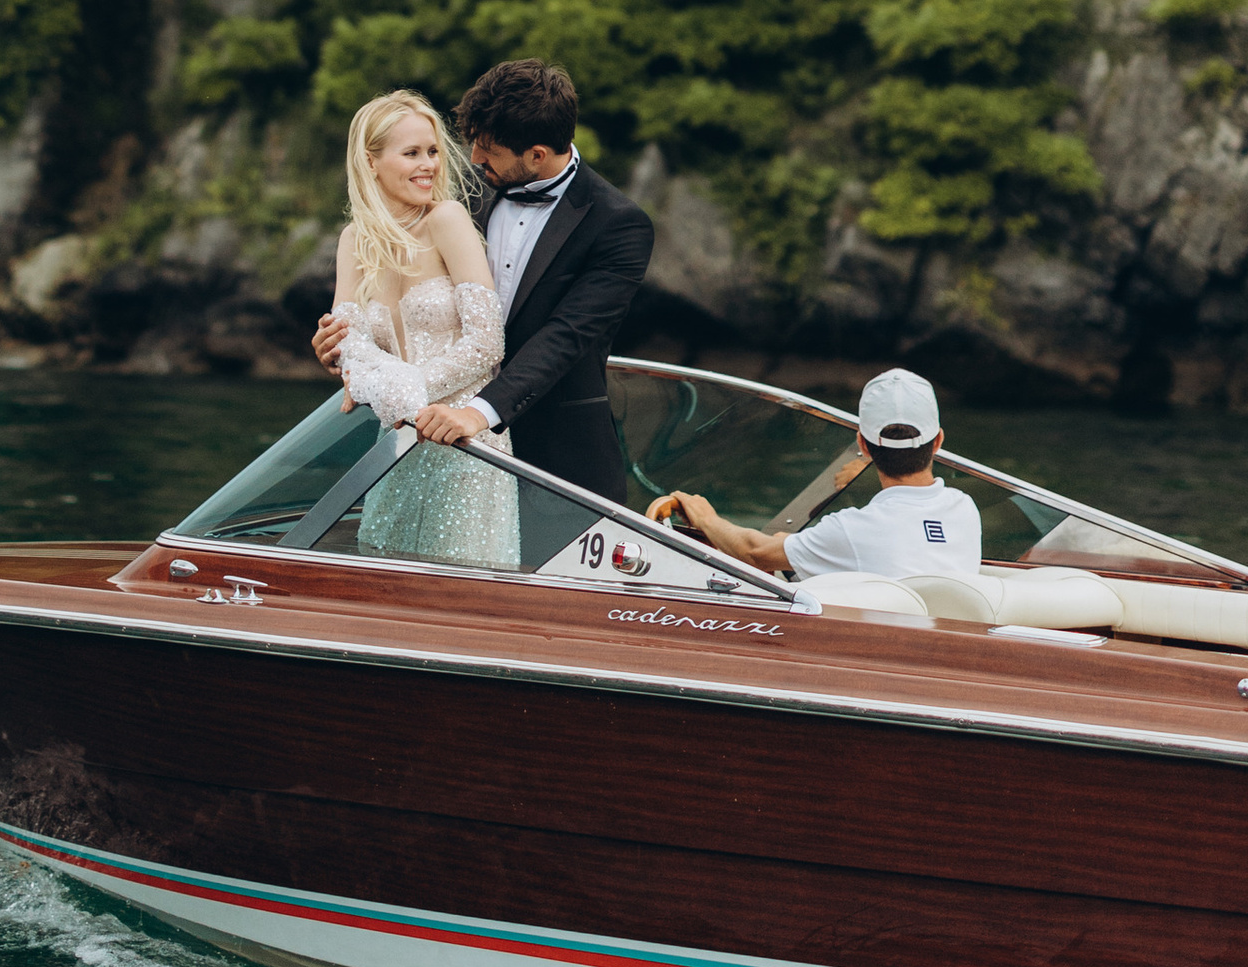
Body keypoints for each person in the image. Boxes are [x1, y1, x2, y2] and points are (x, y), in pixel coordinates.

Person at [381, 57, 654, 510]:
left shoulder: (620, 224)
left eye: (488, 149)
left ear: (537, 155)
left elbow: (566, 336)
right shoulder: (462, 195)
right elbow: (413, 294)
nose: (474, 159)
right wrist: (355, 344)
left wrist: (477, 414)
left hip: (561, 456)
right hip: (444, 445)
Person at [322, 91, 518, 566]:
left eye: (432, 151)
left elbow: (488, 343)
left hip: (468, 446)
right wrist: (345, 362)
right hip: (396, 452)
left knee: (464, 595)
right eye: (411, 153)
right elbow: (349, 348)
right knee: (384, 589)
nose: (428, 164)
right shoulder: (354, 241)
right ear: (371, 163)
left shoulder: (447, 220)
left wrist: (402, 389)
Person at [644, 366, 983, 583]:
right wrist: (794, 546)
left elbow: (754, 553)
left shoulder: (851, 529)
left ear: (862, 446)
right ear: (938, 440)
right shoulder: (964, 509)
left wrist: (706, 519)